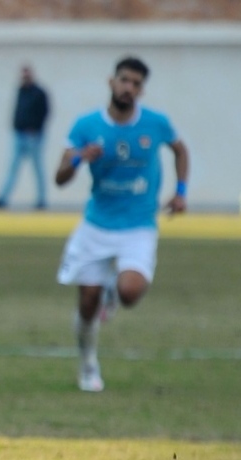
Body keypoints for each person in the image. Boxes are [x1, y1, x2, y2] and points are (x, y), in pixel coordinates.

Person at [54, 56, 188, 393]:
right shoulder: (87, 125)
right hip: (97, 225)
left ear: (142, 90)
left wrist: (181, 192)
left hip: (138, 224)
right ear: (111, 82)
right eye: (124, 80)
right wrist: (79, 158)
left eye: (136, 84)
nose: (129, 88)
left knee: (130, 292)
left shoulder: (155, 123)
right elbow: (60, 177)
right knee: (87, 301)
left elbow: (180, 150)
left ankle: (112, 293)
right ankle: (88, 363)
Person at [0, 64, 49, 210]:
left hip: (33, 136)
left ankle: (41, 199)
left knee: (37, 168)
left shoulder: (39, 92)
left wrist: (36, 128)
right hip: (19, 134)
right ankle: (3, 198)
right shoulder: (21, 91)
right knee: (12, 168)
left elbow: (45, 112)